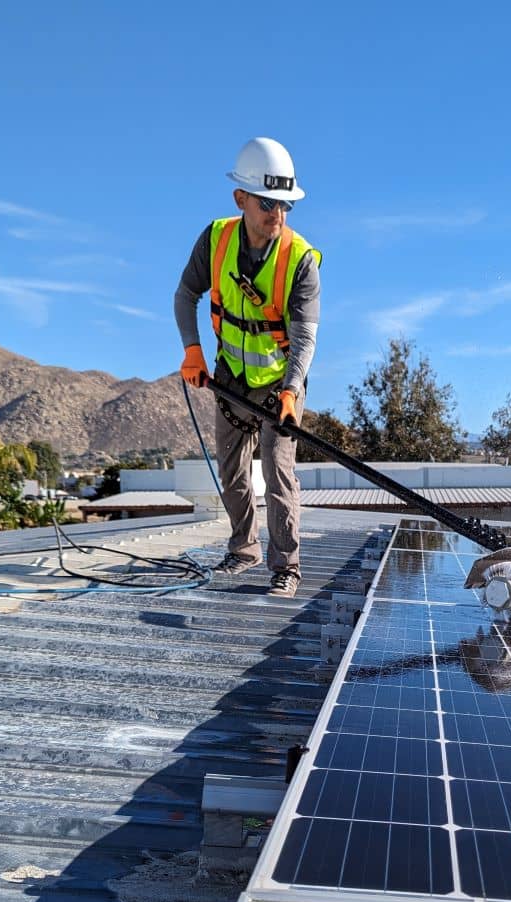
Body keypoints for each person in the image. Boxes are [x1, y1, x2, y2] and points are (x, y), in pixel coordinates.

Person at [175, 137, 321, 597]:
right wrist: (193, 350)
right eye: (267, 203)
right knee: (233, 471)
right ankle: (243, 549)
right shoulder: (216, 240)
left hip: (279, 381)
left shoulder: (299, 260)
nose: (276, 214)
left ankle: (286, 566)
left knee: (278, 472)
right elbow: (186, 295)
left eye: (284, 205)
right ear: (241, 198)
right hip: (230, 378)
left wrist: (292, 390)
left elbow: (305, 336)